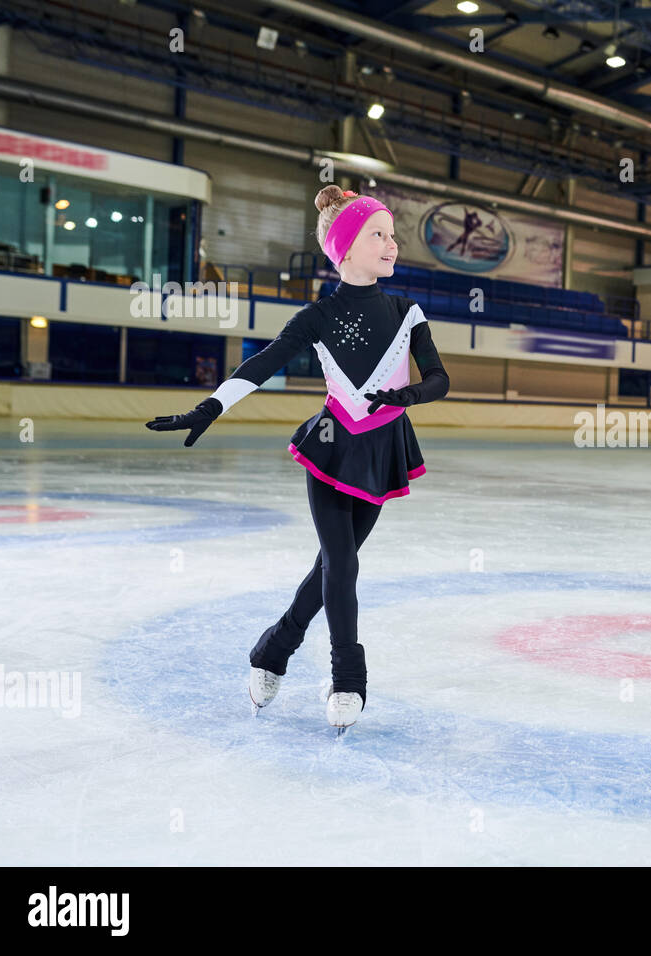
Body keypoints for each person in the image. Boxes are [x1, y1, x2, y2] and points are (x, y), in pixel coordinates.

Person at [145, 186, 450, 734]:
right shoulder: (318, 317)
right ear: (346, 247)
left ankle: (274, 647)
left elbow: (439, 378)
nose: (392, 243)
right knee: (343, 562)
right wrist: (209, 407)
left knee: (333, 564)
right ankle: (347, 677)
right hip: (332, 445)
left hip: (383, 449)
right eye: (378, 233)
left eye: (392, 234)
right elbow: (260, 365)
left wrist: (408, 397)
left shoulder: (408, 312)